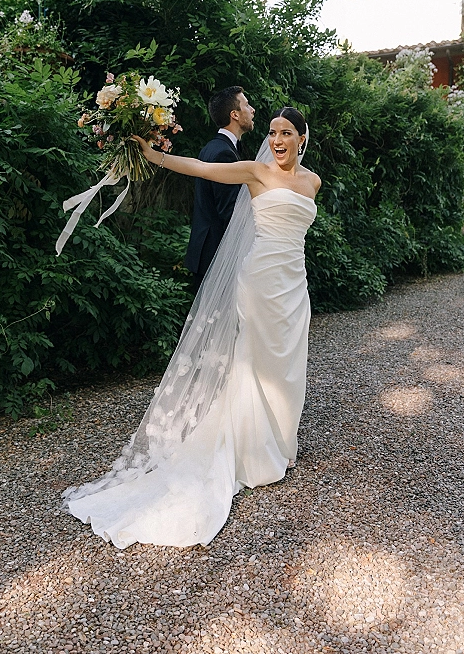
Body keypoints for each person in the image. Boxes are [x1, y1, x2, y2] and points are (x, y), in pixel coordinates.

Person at [63, 107, 321, 548]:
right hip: (259, 281)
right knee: (254, 361)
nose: (277, 140)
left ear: (302, 138)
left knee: (287, 364)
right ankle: (252, 452)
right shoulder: (254, 171)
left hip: (294, 286)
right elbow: (202, 167)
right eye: (273, 132)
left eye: (287, 133)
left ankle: (278, 443)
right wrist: (154, 156)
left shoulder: (312, 182)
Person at [184, 86, 255, 290]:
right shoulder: (223, 153)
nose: (252, 110)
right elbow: (229, 212)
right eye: (247, 105)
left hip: (206, 251)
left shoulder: (213, 147)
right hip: (216, 255)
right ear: (234, 114)